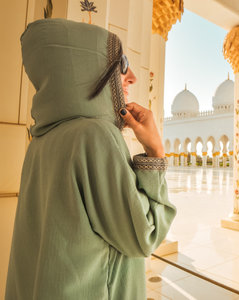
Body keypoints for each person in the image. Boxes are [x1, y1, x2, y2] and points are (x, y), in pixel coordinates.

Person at [6, 18, 176, 300]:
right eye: (120, 64)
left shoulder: (43, 139)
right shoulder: (95, 136)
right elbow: (144, 235)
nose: (131, 76)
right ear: (88, 69)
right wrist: (155, 152)